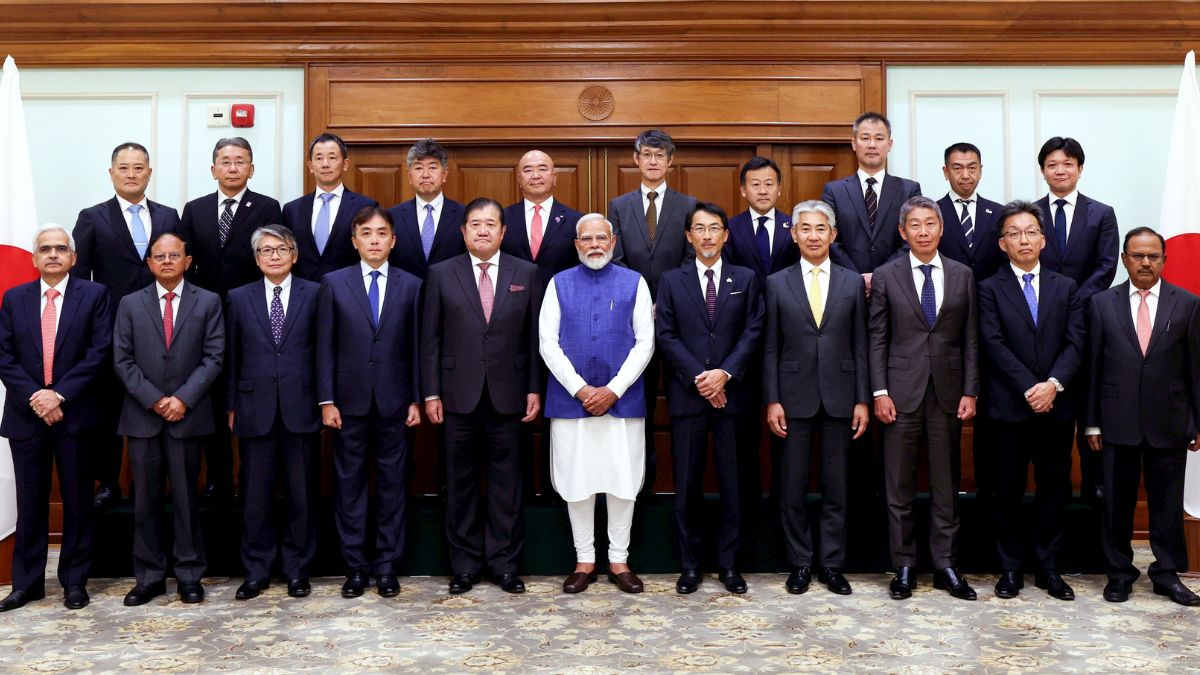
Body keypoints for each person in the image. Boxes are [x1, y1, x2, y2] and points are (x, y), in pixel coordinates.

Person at [421, 198, 541, 595]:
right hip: (457, 398)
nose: (483, 231)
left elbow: (535, 338)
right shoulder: (441, 273)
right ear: (464, 231)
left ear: (504, 232)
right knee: (460, 486)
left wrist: (533, 388)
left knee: (507, 486)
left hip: (510, 396)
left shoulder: (527, 271)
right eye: (476, 224)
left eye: (491, 224)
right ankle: (465, 566)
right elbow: (431, 339)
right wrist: (431, 391)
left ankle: (505, 565)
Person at [869, 195, 979, 601]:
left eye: (930, 223)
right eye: (914, 225)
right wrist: (879, 391)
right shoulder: (885, 275)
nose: (923, 231)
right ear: (902, 231)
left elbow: (970, 338)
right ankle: (903, 566)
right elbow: (877, 337)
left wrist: (971, 389)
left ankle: (946, 565)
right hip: (898, 394)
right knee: (898, 484)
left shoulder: (963, 274)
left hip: (949, 394)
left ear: (941, 228)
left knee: (946, 485)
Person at [1085, 227, 1200, 607]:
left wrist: (1197, 422)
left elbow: (1195, 369)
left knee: (1166, 504)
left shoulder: (1188, 304)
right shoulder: (1102, 303)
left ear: (1164, 260)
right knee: (1116, 504)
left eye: (1153, 256)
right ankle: (1119, 574)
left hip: (1168, 422)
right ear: (1124, 259)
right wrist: (1092, 422)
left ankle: (1167, 574)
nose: (1146, 263)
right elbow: (1094, 368)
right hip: (1116, 423)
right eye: (1138, 255)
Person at [540, 213, 654, 594]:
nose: (594, 244)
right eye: (586, 238)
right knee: (578, 481)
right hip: (572, 402)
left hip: (622, 401)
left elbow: (645, 343)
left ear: (613, 240)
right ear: (576, 245)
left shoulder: (635, 283)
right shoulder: (558, 284)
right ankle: (584, 559)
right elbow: (547, 343)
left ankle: (619, 559)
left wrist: (614, 390)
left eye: (600, 238)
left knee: (622, 481)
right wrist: (580, 389)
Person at [0, 226, 111, 612]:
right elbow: (5, 356)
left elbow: (99, 352)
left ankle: (74, 582)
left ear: (73, 257)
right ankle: (27, 583)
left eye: (60, 248)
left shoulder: (94, 295)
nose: (52, 254)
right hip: (26, 414)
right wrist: (38, 398)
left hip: (75, 413)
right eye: (44, 249)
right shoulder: (14, 299)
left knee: (78, 501)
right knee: (30, 501)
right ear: (34, 258)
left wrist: (58, 394)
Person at [655, 201, 764, 594]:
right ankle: (689, 566)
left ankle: (730, 566)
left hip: (733, 399)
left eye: (714, 228)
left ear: (725, 234)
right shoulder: (671, 280)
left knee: (732, 486)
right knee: (687, 487)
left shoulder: (746, 278)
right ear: (688, 236)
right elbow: (665, 334)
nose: (706, 236)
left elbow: (753, 332)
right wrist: (701, 379)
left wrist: (724, 375)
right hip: (688, 399)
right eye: (698, 229)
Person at [977, 200, 1084, 601]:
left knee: (1054, 490)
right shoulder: (988, 288)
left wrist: (1053, 384)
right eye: (1014, 234)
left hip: (1055, 408)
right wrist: (1031, 387)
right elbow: (993, 343)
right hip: (1009, 408)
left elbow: (1077, 343)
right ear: (1003, 244)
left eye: (1030, 232)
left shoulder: (1066, 287)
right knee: (1006, 491)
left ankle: (1049, 569)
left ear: (1043, 238)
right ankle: (1009, 569)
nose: (1023, 239)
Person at [763, 200, 869, 596]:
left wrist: (862, 399)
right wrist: (771, 398)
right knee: (791, 487)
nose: (813, 235)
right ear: (793, 234)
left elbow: (861, 344)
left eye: (820, 228)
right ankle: (801, 562)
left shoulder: (851, 281)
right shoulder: (776, 282)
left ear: (833, 234)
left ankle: (832, 563)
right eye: (805, 228)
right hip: (792, 398)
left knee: (836, 486)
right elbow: (770, 347)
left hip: (842, 397)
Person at [112, 232, 224, 606]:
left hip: (188, 417)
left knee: (188, 501)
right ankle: (149, 577)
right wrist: (156, 399)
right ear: (149, 263)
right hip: (143, 417)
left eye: (174, 255)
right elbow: (122, 361)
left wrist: (182, 399)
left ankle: (190, 575)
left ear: (187, 261)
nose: (166, 261)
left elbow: (214, 358)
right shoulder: (129, 304)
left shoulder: (208, 302)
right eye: (159, 256)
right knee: (145, 501)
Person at [317, 206, 423, 599]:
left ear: (393, 240)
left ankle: (387, 566)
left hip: (396, 403)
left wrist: (416, 397)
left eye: (382, 233)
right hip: (348, 404)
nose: (375, 239)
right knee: (350, 488)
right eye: (367, 233)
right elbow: (325, 346)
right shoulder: (333, 283)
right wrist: (326, 399)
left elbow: (416, 346)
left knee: (394, 487)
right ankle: (356, 567)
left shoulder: (411, 285)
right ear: (354, 240)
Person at [73, 141, 180, 511]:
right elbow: (80, 279)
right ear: (111, 173)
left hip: (161, 327)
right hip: (108, 327)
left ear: (149, 173)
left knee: (157, 403)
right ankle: (107, 482)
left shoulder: (169, 216)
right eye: (124, 168)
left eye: (139, 168)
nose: (131, 174)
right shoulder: (92, 217)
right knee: (108, 408)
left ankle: (154, 484)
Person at [181, 137, 284, 501]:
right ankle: (219, 477)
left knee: (249, 390)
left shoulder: (269, 207)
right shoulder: (194, 210)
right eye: (225, 161)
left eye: (240, 161)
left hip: (253, 315)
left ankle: (254, 479)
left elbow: (274, 259)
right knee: (211, 395)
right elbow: (185, 264)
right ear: (213, 169)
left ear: (251, 169)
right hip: (204, 316)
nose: (233, 167)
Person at [224, 225, 322, 600]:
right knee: (255, 495)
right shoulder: (238, 297)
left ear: (294, 255)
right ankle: (257, 571)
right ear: (257, 258)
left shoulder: (315, 294)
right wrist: (232, 404)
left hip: (302, 406)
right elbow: (231, 356)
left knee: (302, 494)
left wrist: (325, 400)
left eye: (281, 249)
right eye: (266, 250)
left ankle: (298, 570)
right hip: (253, 408)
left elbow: (323, 350)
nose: (274, 256)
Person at [608, 128, 697, 493]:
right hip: (632, 323)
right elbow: (617, 258)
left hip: (676, 321)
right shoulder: (619, 205)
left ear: (670, 162)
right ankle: (638, 486)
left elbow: (693, 257)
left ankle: (678, 484)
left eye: (660, 156)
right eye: (647, 155)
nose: (653, 161)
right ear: (636, 160)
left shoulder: (688, 205)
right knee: (636, 404)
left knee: (680, 404)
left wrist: (667, 302)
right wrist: (644, 302)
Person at [1034, 136, 1120, 502]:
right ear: (1043, 171)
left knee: (1090, 429)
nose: (1060, 170)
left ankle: (1094, 515)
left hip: (1088, 328)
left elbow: (1106, 268)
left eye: (1068, 164)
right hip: (1041, 329)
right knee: (1048, 441)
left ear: (1080, 169)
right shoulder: (1029, 215)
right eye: (1053, 164)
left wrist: (1070, 301)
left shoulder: (1102, 213)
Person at [822, 112, 922, 293]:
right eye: (865, 138)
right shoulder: (834, 191)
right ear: (854, 143)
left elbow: (911, 240)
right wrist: (856, 279)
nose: (872, 145)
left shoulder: (909, 190)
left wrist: (880, 276)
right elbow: (829, 240)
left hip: (896, 286)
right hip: (846, 286)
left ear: (889, 144)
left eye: (879, 138)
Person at [283, 132, 379, 281]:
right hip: (304, 293)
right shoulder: (292, 210)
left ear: (345, 164)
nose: (325, 164)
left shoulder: (365, 206)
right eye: (319, 158)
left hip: (348, 290)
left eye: (332, 157)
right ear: (310, 166)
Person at [501, 149, 584, 289]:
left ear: (554, 177)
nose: (535, 176)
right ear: (519, 179)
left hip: (560, 298)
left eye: (542, 169)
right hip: (513, 303)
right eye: (527, 170)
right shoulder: (502, 218)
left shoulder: (577, 221)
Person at [388, 138, 467, 279]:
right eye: (418, 168)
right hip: (407, 297)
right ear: (409, 176)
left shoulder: (465, 215)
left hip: (450, 297)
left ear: (444, 174)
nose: (425, 174)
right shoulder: (392, 216)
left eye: (432, 167)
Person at [935, 142, 1004, 282]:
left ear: (980, 170)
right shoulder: (933, 212)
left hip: (990, 295)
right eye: (957, 168)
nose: (966, 175)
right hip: (948, 294)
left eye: (972, 168)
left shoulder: (999, 212)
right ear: (946, 172)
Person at [725, 157, 797, 281]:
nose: (763, 191)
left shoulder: (793, 225)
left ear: (779, 189)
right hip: (745, 298)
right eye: (756, 185)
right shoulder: (731, 227)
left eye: (769, 184)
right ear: (743, 190)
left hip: (785, 298)